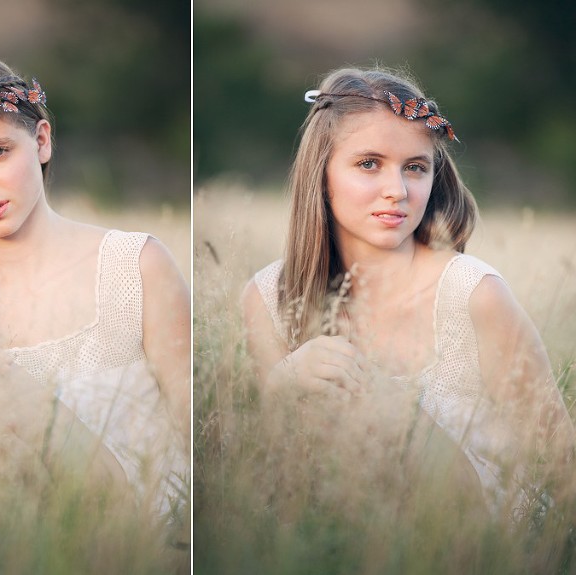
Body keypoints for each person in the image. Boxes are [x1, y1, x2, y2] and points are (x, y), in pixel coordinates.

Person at [241, 66, 574, 518]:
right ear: (321, 174)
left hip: (481, 536)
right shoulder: (268, 298)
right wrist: (281, 382)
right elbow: (262, 469)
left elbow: (563, 468)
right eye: (368, 164)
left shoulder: (473, 295)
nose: (396, 191)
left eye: (415, 168)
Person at [0, 54, 190, 522]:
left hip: (149, 530)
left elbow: (200, 435)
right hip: (38, 548)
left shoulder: (135, 264)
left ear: (41, 141)